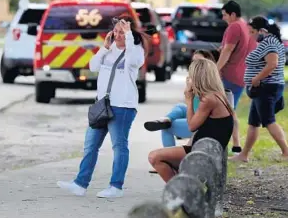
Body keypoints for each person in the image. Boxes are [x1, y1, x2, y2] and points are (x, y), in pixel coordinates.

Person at [57, 16, 146, 198]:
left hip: (122, 106)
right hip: (102, 106)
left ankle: (116, 187)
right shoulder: (110, 49)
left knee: (119, 146)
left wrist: (128, 34)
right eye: (116, 31)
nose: (118, 35)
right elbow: (93, 66)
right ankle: (80, 184)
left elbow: (132, 62)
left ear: (130, 32)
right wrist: (104, 47)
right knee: (90, 145)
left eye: (122, 31)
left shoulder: (136, 51)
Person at [148, 59, 234, 182]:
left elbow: (191, 126)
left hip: (203, 153)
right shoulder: (217, 95)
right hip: (204, 148)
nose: (188, 79)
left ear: (198, 77)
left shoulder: (209, 99)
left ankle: (180, 192)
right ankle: (183, 189)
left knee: (154, 157)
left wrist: (189, 99)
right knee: (162, 157)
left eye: (190, 76)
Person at [230, 16, 288, 162]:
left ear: (262, 31)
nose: (251, 36)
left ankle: (287, 152)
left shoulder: (270, 42)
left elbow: (272, 64)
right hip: (262, 88)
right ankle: (244, 155)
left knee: (269, 121)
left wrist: (257, 78)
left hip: (266, 87)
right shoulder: (268, 42)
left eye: (252, 32)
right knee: (253, 122)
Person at [217, 0, 251, 154]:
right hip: (241, 74)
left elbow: (228, 50)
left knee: (223, 111)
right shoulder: (244, 25)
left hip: (230, 75)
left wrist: (216, 69)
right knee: (231, 110)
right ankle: (236, 145)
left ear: (233, 14)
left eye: (225, 15)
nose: (223, 18)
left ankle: (222, 143)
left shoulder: (234, 26)